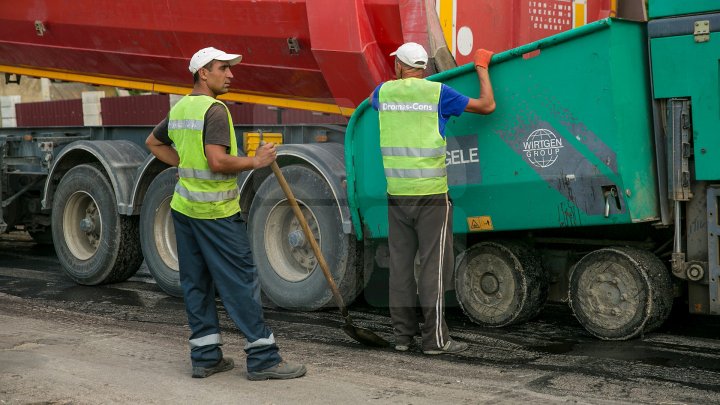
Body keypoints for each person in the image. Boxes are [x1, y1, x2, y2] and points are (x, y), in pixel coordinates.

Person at [145, 47, 306, 380]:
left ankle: (205, 357)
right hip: (216, 213)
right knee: (240, 282)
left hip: (185, 210)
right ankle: (263, 358)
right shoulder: (214, 110)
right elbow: (217, 161)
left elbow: (154, 143)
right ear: (204, 73)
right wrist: (255, 161)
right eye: (223, 68)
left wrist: (185, 164)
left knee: (196, 283)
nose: (231, 74)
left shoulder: (181, 108)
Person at [371, 42, 496, 354]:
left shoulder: (382, 93)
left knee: (400, 265)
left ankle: (401, 338)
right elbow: (487, 106)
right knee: (432, 266)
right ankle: (435, 340)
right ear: (423, 67)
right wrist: (481, 70)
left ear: (400, 66)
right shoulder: (438, 93)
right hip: (430, 195)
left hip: (397, 194)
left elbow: (380, 104)